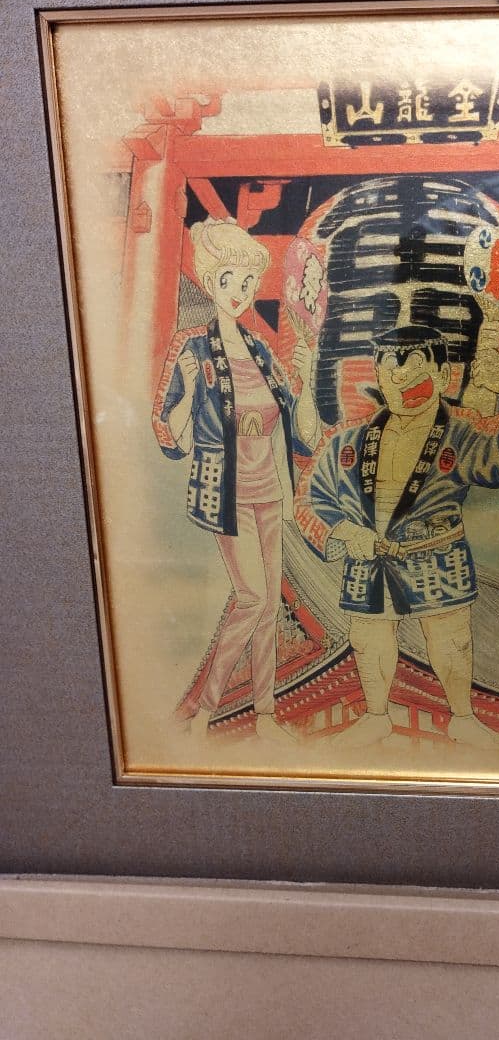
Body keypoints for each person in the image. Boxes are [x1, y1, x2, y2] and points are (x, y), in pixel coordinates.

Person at [294, 322, 499, 749]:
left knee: (451, 640)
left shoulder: (461, 430)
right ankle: (376, 715)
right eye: (390, 367)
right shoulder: (348, 439)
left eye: (416, 365)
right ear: (377, 375)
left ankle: (462, 716)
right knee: (369, 637)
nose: (402, 378)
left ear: (443, 374)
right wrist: (345, 530)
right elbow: (309, 497)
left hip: (436, 549)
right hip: (369, 552)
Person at [152, 217, 319, 741]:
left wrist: (306, 374)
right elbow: (170, 437)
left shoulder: (263, 353)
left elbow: (301, 433)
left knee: (268, 608)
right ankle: (204, 710)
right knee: (252, 598)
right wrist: (186, 392)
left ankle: (265, 712)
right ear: (209, 281)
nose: (239, 291)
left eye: (247, 282)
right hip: (226, 493)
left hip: (271, 492)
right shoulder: (193, 348)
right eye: (228, 279)